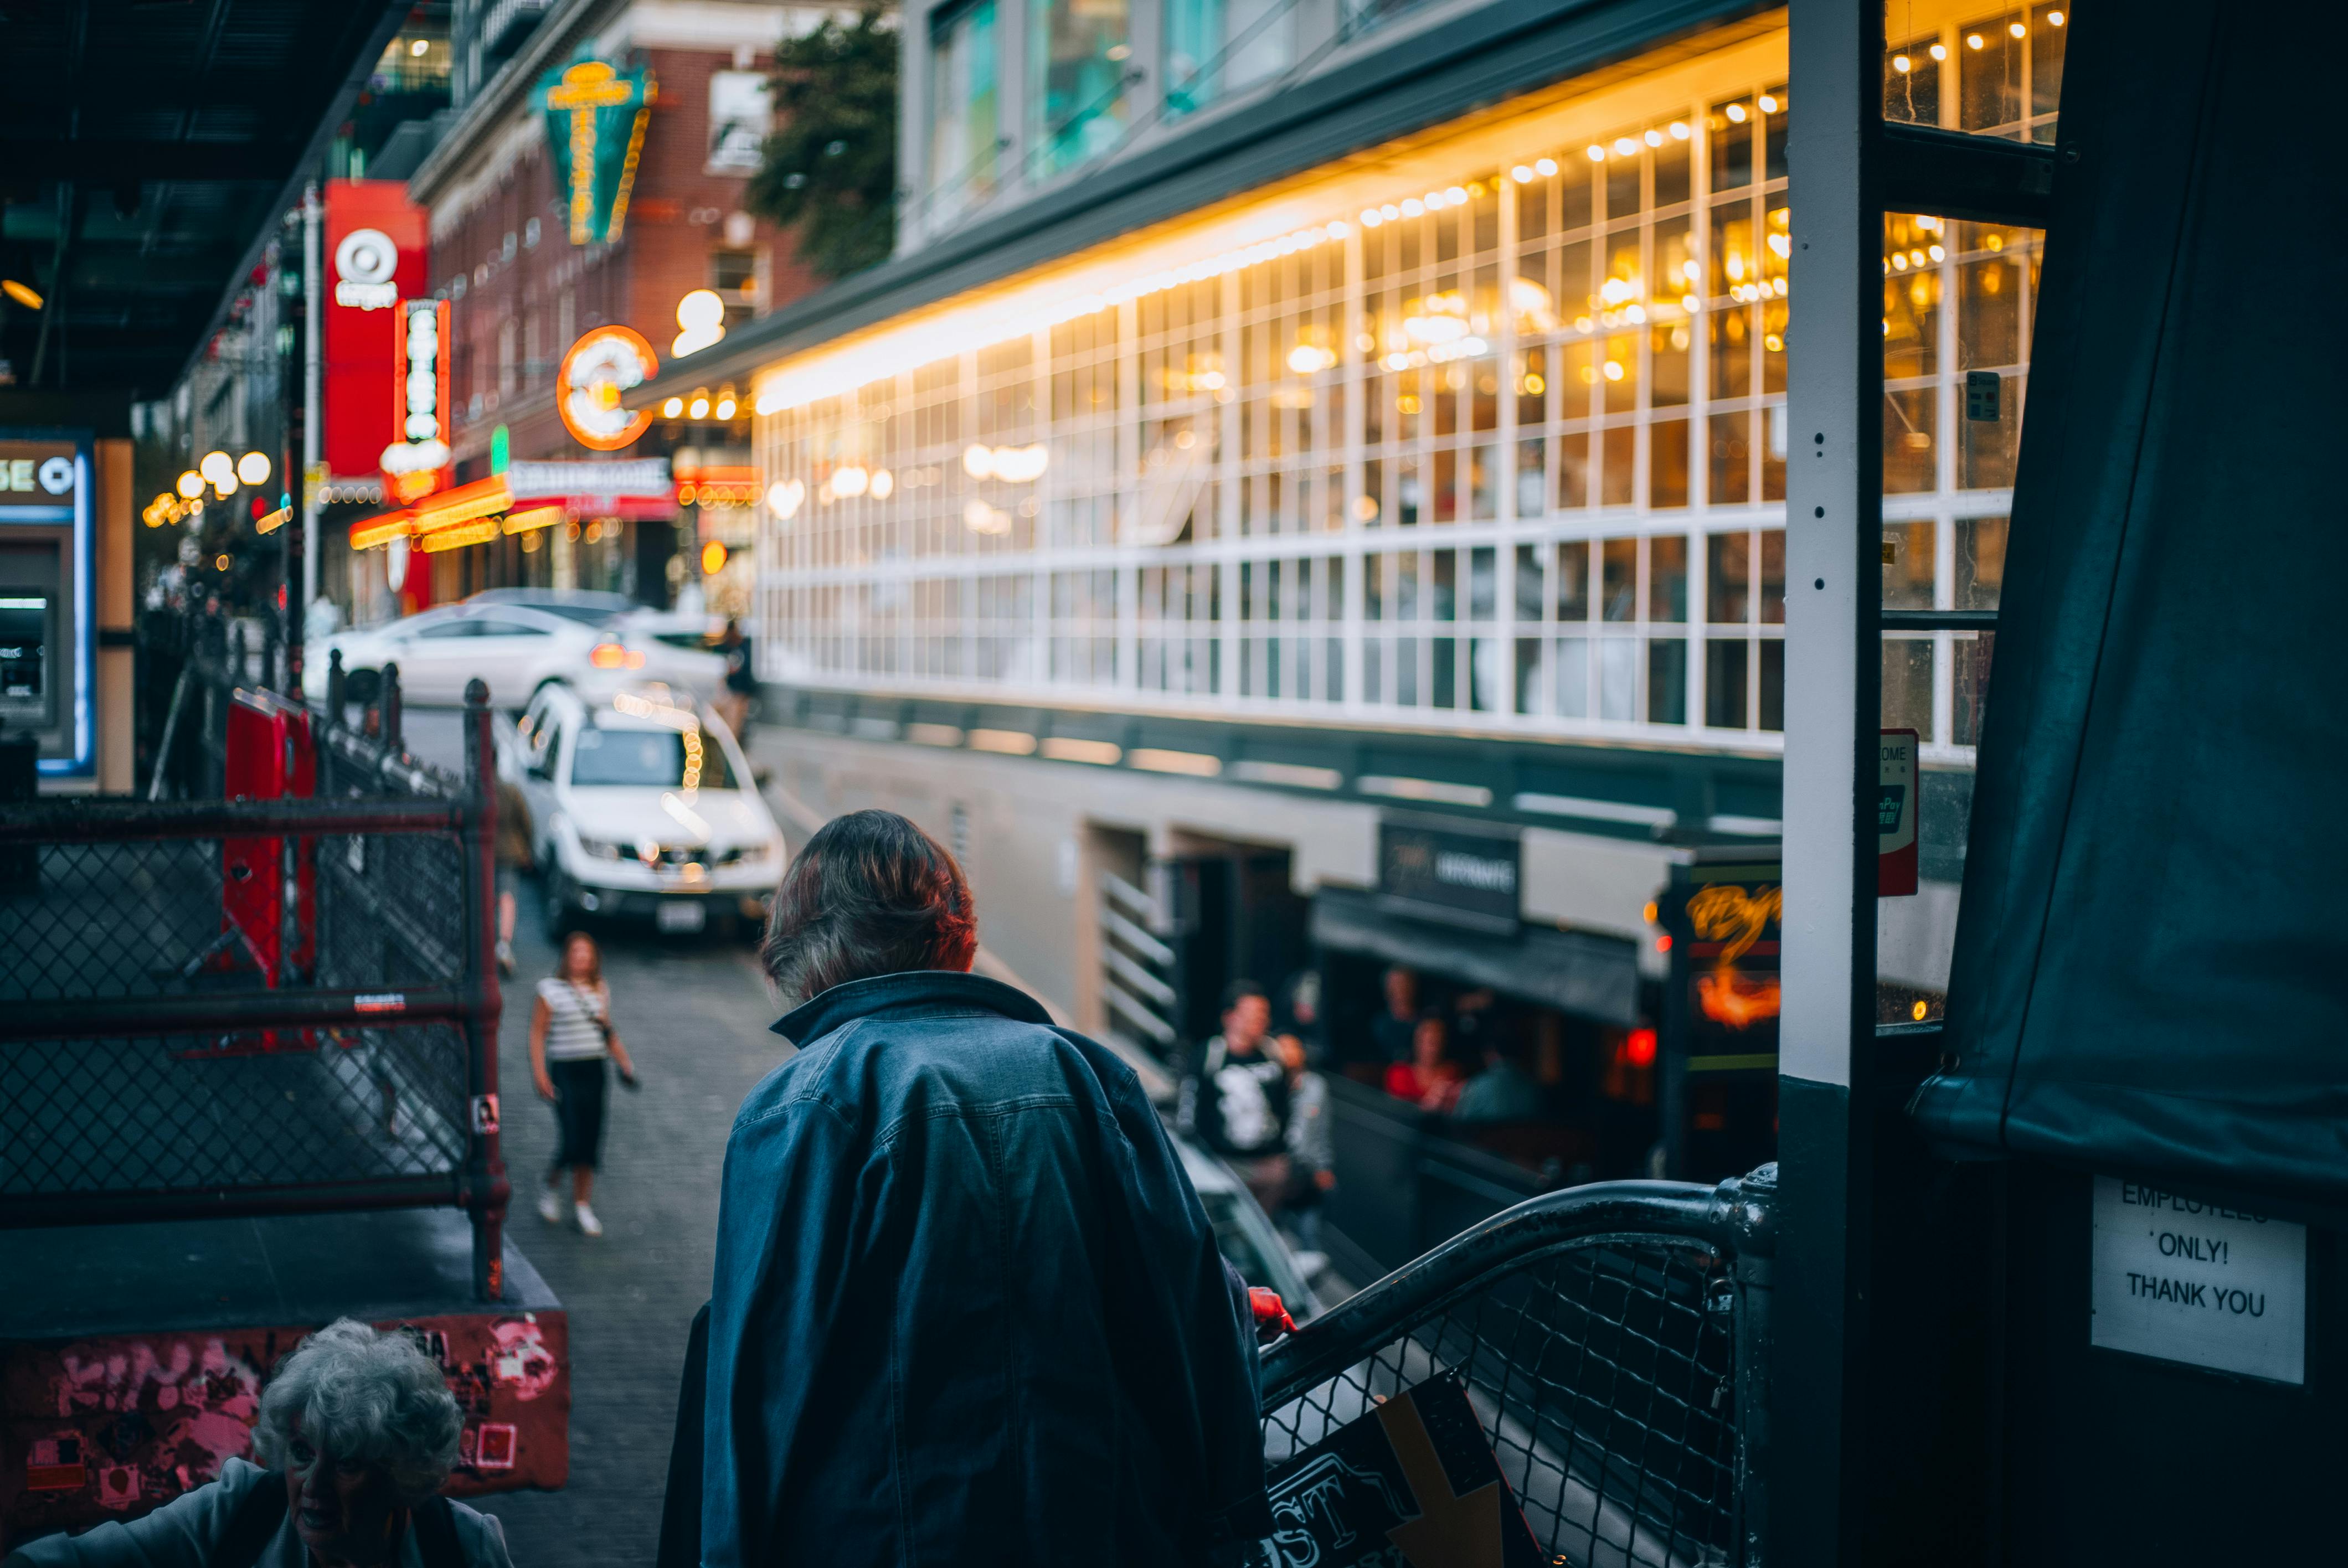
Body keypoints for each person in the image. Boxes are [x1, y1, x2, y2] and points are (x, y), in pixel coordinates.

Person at [697, 809, 1271, 1566]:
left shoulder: (805, 1103)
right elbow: (1182, 1295)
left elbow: (758, 1380)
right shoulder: (1085, 1071)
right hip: (1098, 1533)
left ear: (812, 956)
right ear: (956, 934)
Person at [2, 1320, 513, 1567]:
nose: (314, 1485)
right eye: (303, 1453)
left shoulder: (464, 1547)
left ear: (401, 1474)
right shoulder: (236, 1511)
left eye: (348, 1463)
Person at [528, 931, 639, 1239]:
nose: (581, 958)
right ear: (567, 956)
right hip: (565, 1069)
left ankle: (581, 1205)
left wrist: (625, 1063)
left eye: (586, 953)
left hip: (595, 1069)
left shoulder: (600, 989)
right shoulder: (549, 990)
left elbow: (607, 1031)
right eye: (576, 952)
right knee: (572, 1135)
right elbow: (537, 1034)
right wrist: (540, 1074)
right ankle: (551, 1187)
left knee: (591, 1137)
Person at [1177, 979, 1292, 1212]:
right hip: (1222, 1162)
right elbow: (1189, 1107)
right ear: (1230, 1018)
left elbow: (1286, 1104)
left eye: (1264, 1015)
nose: (1261, 1022)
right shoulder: (1209, 1056)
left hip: (1267, 1165)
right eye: (1252, 1015)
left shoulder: (1272, 1054)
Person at [1275, 1033, 1335, 1254]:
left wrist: (1324, 1167)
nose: (1288, 1054)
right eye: (1283, 1049)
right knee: (1274, 1232)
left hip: (1307, 1170)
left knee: (1309, 1233)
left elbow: (1321, 1130)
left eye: (1293, 1048)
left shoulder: (1316, 1086)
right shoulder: (1270, 1082)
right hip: (1277, 1169)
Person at [1452, 1036, 1547, 1124]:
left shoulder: (1478, 1085)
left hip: (1483, 1141)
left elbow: (1459, 1123)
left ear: (1491, 1053)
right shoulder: (1532, 1086)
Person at [1384, 1014, 1465, 1115]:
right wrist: (1428, 1103)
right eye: (1430, 1041)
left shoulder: (1452, 1070)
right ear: (1416, 1040)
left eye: (1438, 1040)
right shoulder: (1399, 1072)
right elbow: (1396, 1112)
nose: (1433, 1048)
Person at [492, 776, 532, 977]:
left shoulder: (474, 791)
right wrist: (527, 848)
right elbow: (525, 820)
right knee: (507, 897)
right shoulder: (509, 790)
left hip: (484, 853)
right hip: (509, 851)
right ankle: (504, 942)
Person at [1369, 964, 1420, 1065]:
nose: (1401, 989)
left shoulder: (1425, 1023)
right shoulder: (1380, 1025)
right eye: (1396, 984)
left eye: (1405, 983)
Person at [713, 618, 755, 738]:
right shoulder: (726, 647)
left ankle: (731, 740)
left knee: (734, 718)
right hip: (730, 690)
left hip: (741, 691)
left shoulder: (746, 648)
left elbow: (747, 671)